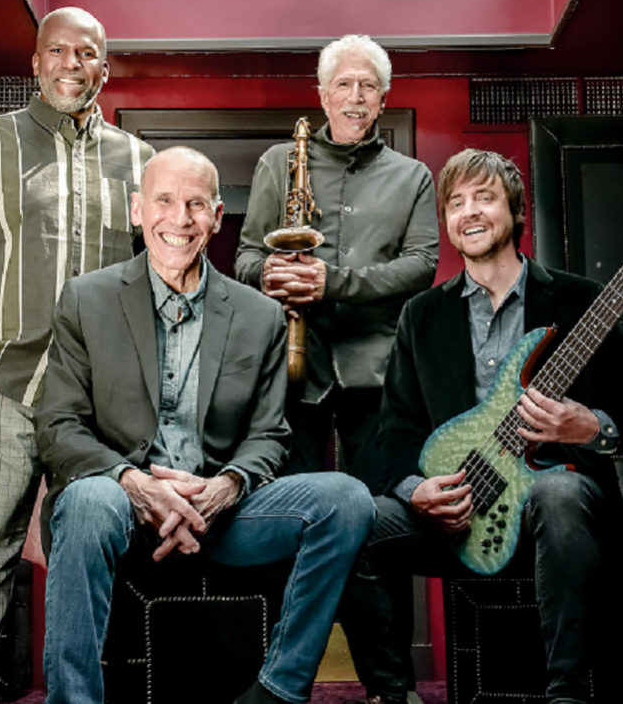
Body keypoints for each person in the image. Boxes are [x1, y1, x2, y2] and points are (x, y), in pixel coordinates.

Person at [35, 146, 376, 704]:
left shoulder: (260, 315)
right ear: (137, 209)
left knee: (347, 499)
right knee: (87, 500)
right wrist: (133, 483)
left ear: (217, 217)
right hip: (121, 506)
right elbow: (58, 425)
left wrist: (225, 488)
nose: (180, 218)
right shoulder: (85, 300)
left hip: (222, 515)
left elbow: (269, 435)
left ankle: (277, 690)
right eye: (164, 201)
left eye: (196, 204)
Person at [0, 7, 154, 703]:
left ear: (105, 67)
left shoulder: (140, 163)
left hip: (96, 404)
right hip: (2, 388)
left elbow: (158, 276)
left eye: (88, 53)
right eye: (59, 51)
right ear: (36, 62)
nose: (73, 63)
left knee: (96, 553)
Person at [338, 149, 623, 704]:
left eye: (484, 197)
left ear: (517, 210)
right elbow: (396, 431)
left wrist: (588, 426)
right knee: (348, 521)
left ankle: (567, 695)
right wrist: (416, 489)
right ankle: (391, 691)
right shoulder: (421, 316)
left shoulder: (579, 300)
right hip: (460, 510)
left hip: (552, 514)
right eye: (456, 203)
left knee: (559, 492)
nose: (469, 212)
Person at [235, 34, 438, 480]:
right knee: (290, 501)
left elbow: (422, 265)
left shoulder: (414, 176)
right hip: (291, 367)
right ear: (324, 96)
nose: (355, 96)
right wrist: (268, 273)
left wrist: (333, 283)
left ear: (383, 100)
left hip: (379, 375)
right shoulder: (278, 163)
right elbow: (247, 256)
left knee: (383, 502)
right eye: (344, 84)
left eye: (368, 86)